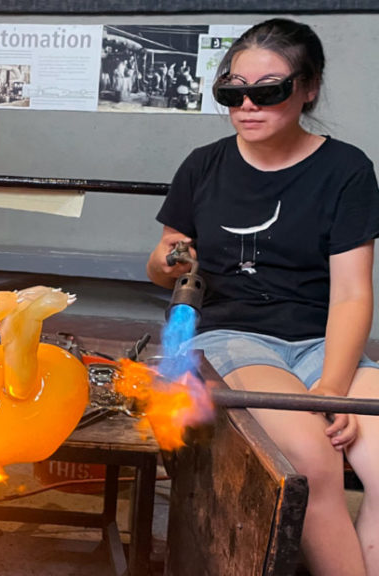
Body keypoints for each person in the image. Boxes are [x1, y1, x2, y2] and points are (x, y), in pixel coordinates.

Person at [147, 18, 379, 575]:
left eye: (268, 90)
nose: (247, 104)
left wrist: (330, 390)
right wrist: (169, 260)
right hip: (237, 336)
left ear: (309, 87)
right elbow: (161, 264)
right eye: (232, 91)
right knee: (311, 462)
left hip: (322, 340)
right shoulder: (204, 166)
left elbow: (351, 293)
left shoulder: (346, 170)